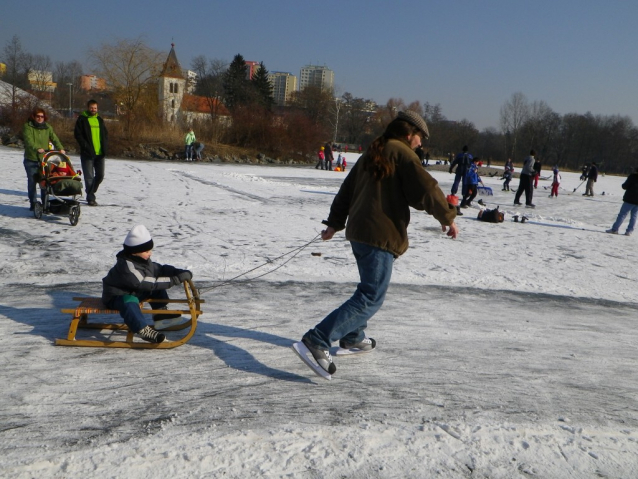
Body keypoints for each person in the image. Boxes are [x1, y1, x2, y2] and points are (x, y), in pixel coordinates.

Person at [296, 110, 458, 376]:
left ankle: (353, 336)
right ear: (409, 134)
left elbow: (347, 189)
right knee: (371, 296)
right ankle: (318, 338)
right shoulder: (402, 153)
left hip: (360, 233)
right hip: (378, 235)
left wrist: (335, 223)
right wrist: (448, 217)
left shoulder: (375, 150)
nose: (421, 144)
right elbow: (427, 189)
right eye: (420, 138)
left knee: (367, 289)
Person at [102, 225, 193, 344]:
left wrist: (177, 272)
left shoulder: (143, 260)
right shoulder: (126, 266)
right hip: (116, 297)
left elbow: (159, 269)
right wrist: (175, 280)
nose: (150, 253)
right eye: (146, 251)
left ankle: (161, 314)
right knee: (131, 300)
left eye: (150, 250)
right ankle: (142, 329)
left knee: (156, 286)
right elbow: (146, 283)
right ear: (135, 252)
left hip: (134, 292)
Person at [22, 108, 66, 211]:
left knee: (45, 182)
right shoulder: (27, 127)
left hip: (44, 160)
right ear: (34, 117)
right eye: (38, 116)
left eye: (42, 116)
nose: (40, 118)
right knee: (32, 182)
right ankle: (33, 203)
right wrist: (36, 148)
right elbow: (28, 141)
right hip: (31, 159)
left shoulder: (47, 127)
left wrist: (61, 148)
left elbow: (54, 138)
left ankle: (45, 203)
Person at [74, 99, 108, 206]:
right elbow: (77, 134)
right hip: (87, 153)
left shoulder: (99, 120)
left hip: (100, 153)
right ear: (88, 108)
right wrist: (85, 146)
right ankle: (91, 198)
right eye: (91, 108)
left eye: (95, 108)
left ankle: (91, 191)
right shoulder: (82, 119)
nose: (93, 110)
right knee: (89, 177)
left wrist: (105, 146)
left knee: (100, 175)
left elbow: (105, 134)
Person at [606, 167, 638, 236]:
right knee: (634, 216)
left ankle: (615, 229)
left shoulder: (633, 176)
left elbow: (625, 186)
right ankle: (629, 231)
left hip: (630, 199)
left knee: (622, 214)